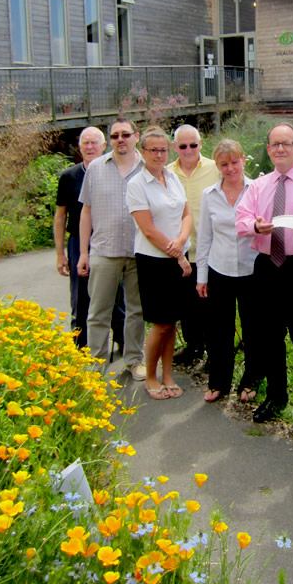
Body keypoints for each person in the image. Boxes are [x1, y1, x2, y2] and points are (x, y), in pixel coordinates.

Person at [236, 122, 293, 424]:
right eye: (275, 144)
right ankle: (276, 396)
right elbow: (241, 220)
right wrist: (254, 227)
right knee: (270, 336)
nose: (280, 149)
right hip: (266, 267)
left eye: (286, 143)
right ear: (268, 149)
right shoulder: (259, 186)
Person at [77, 117, 146, 380]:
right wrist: (84, 252)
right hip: (104, 251)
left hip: (138, 251)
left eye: (125, 135)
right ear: (110, 139)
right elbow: (86, 211)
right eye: (115, 135)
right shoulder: (96, 167)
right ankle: (95, 364)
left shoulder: (146, 167)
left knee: (136, 310)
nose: (121, 139)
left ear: (136, 136)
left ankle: (134, 360)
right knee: (98, 311)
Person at [127, 126, 192, 399]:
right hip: (155, 261)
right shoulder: (136, 184)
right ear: (142, 152)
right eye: (152, 149)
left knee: (172, 321)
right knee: (161, 323)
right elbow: (149, 230)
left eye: (163, 149)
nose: (158, 154)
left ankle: (168, 374)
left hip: (178, 257)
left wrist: (182, 243)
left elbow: (187, 214)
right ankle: (151, 377)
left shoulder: (173, 177)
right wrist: (178, 254)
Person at [195, 139, 259, 402]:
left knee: (254, 329)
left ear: (244, 159)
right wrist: (202, 276)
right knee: (218, 330)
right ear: (217, 165)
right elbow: (204, 238)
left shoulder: (258, 190)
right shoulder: (209, 195)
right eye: (224, 164)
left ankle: (251, 379)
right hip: (219, 270)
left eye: (234, 162)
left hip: (252, 270)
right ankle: (219, 382)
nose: (230, 168)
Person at [53, 126, 125, 352]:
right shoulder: (69, 176)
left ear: (104, 146)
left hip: (110, 239)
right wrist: (59, 254)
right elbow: (60, 216)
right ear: (79, 146)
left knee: (117, 293)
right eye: (85, 143)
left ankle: (123, 340)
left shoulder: (116, 172)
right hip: (78, 242)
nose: (90, 147)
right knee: (80, 294)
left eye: (95, 142)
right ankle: (80, 343)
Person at [168, 124, 219, 365]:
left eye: (193, 145)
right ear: (174, 147)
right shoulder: (167, 173)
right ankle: (194, 347)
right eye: (182, 146)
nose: (188, 150)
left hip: (210, 249)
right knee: (187, 306)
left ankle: (215, 352)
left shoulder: (215, 168)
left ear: (201, 144)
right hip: (181, 251)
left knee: (211, 306)